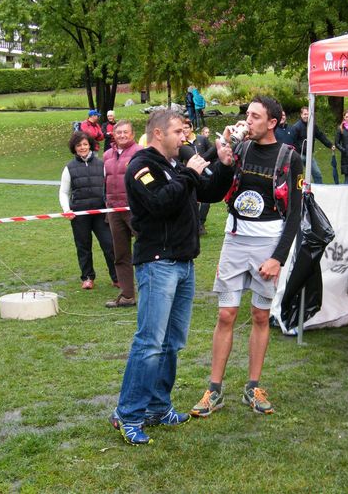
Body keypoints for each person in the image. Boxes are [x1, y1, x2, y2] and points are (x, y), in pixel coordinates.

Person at [110, 109, 235, 445]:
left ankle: (158, 407)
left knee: (171, 343)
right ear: (158, 134)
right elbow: (160, 203)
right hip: (157, 264)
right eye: (179, 131)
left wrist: (223, 164)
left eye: (186, 132)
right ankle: (128, 415)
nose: (185, 137)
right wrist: (188, 175)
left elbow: (207, 192)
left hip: (183, 264)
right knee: (149, 343)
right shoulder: (141, 167)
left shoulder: (176, 166)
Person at [191, 95, 303, 418]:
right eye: (248, 115)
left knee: (259, 315)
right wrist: (223, 155)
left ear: (273, 122)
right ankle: (214, 389)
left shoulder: (288, 157)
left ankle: (253, 386)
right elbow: (207, 186)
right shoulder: (238, 149)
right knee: (226, 314)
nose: (248, 120)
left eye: (255, 116)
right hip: (235, 240)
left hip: (268, 245)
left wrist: (278, 258)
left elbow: (295, 214)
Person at [59, 131, 117, 290]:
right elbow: (63, 192)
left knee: (109, 245)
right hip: (79, 215)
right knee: (83, 246)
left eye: (85, 144)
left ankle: (116, 277)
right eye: (79, 145)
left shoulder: (102, 164)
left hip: (101, 214)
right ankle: (87, 277)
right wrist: (67, 209)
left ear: (90, 145)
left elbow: (109, 187)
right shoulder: (69, 168)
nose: (82, 147)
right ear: (74, 148)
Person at [103, 119, 143, 308]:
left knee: (146, 250)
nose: (122, 135)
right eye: (119, 133)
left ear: (132, 134)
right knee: (120, 254)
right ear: (114, 135)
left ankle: (153, 290)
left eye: (125, 132)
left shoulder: (140, 153)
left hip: (135, 210)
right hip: (113, 210)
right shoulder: (106, 155)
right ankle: (127, 295)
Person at [292, 106, 335, 184]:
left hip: (309, 156)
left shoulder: (312, 126)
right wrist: (298, 153)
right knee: (299, 177)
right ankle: (299, 194)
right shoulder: (296, 127)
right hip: (299, 156)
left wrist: (330, 145)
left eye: (308, 114)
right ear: (301, 115)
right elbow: (293, 142)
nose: (306, 116)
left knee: (317, 174)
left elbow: (320, 136)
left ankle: (319, 192)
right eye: (305, 114)